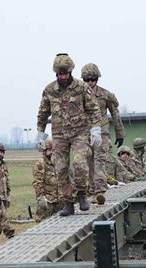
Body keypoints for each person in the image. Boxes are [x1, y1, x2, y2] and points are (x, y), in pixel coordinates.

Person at [36, 53, 102, 217]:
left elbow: (94, 109)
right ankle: (68, 202)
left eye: (66, 73)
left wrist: (96, 129)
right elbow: (43, 113)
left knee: (80, 163)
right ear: (56, 74)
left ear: (71, 72)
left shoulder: (81, 87)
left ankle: (81, 193)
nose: (63, 77)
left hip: (79, 132)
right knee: (60, 168)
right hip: (59, 135)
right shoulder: (50, 90)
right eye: (60, 74)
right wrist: (40, 133)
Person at [81, 63, 125, 204]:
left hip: (102, 133)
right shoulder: (77, 96)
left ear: (97, 79)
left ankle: (99, 191)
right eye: (87, 80)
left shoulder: (106, 95)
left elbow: (115, 114)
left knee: (99, 160)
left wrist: (120, 133)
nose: (90, 82)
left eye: (93, 79)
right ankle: (92, 191)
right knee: (88, 162)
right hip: (85, 134)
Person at [32, 139, 62, 222]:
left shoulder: (58, 162)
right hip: (47, 201)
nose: (51, 152)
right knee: (43, 224)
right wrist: (41, 198)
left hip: (59, 201)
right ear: (44, 151)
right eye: (49, 150)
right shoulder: (40, 164)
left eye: (53, 150)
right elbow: (37, 182)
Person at [0, 143, 14, 238]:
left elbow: (6, 180)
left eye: (2, 152)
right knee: (3, 217)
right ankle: (9, 234)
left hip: (4, 196)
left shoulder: (3, 165)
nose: (0, 154)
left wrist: (8, 195)